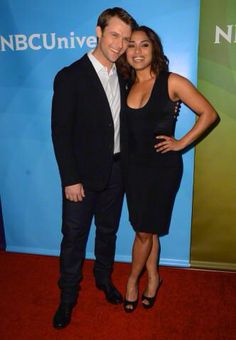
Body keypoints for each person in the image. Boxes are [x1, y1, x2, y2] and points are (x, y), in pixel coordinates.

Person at [117, 26, 219, 312]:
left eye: (144, 45)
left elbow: (209, 113)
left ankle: (132, 282)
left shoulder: (172, 82)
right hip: (132, 168)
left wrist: (181, 143)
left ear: (154, 49)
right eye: (132, 45)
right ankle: (154, 278)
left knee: (143, 233)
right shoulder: (125, 84)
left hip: (162, 169)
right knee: (148, 231)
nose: (137, 51)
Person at [51, 7, 137, 328]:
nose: (119, 44)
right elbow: (60, 132)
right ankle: (68, 296)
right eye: (114, 35)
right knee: (73, 237)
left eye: (126, 39)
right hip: (81, 179)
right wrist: (70, 179)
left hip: (116, 172)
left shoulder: (125, 74)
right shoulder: (70, 76)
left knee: (108, 232)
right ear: (99, 31)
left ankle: (104, 279)